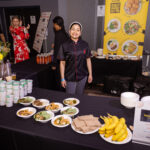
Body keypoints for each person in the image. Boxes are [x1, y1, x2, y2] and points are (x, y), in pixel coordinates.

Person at [57, 21, 93, 95]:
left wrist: (90, 74)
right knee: (70, 99)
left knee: (80, 97)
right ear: (69, 31)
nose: (75, 32)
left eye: (78, 30)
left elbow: (88, 60)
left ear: (80, 32)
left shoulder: (85, 44)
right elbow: (62, 63)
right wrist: (62, 78)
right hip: (70, 78)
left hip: (82, 77)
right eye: (73, 29)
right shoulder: (64, 45)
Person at [52, 16, 69, 90]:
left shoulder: (58, 34)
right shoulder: (64, 33)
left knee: (59, 81)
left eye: (53, 24)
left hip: (60, 61)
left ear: (56, 24)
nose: (53, 26)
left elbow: (57, 50)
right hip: (66, 60)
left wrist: (54, 63)